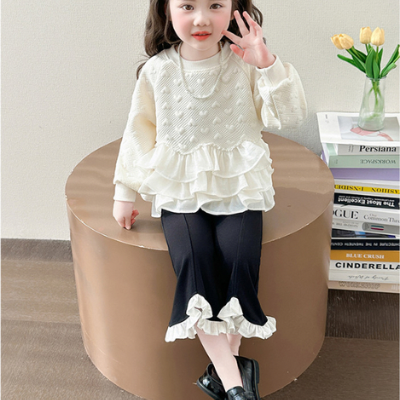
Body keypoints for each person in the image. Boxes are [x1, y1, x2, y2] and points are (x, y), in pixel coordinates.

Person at [113, 1, 307, 399]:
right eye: (187, 5)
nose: (201, 18)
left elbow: (289, 116)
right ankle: (236, 384)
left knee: (240, 261)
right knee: (194, 261)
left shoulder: (245, 64)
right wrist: (124, 193)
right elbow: (138, 132)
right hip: (179, 187)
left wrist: (265, 61)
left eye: (215, 5)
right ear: (167, 11)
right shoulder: (158, 71)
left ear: (234, 10)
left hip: (240, 184)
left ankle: (228, 381)